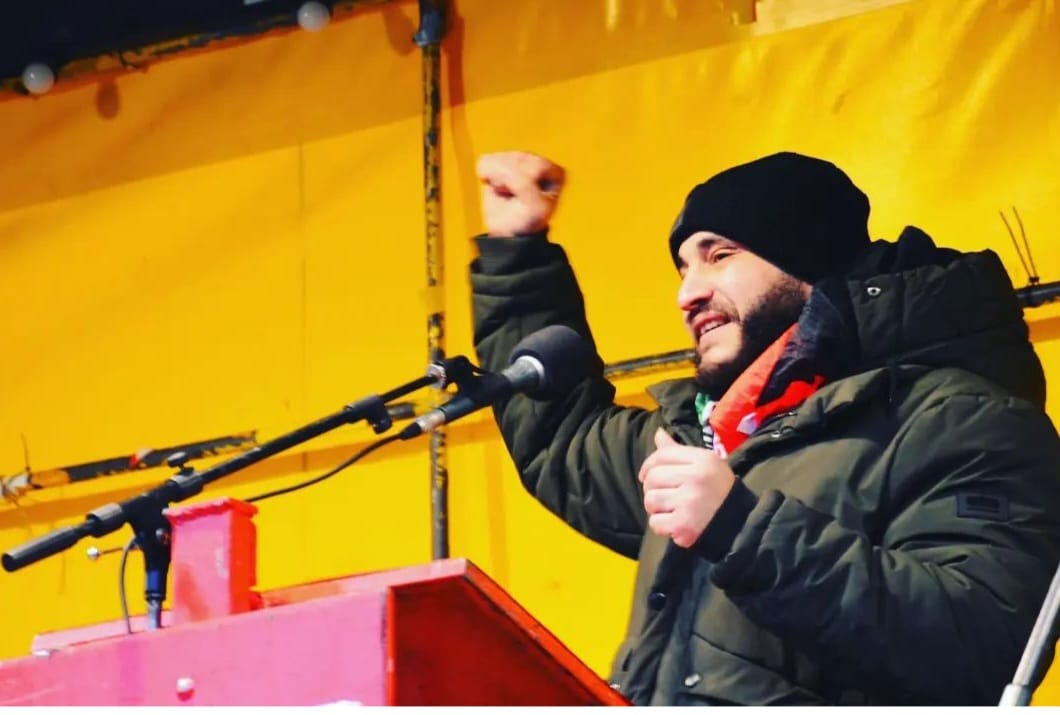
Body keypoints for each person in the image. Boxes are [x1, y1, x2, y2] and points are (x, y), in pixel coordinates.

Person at [468, 150, 1060, 705]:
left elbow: (982, 645)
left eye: (719, 255)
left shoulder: (966, 418)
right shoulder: (716, 438)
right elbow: (563, 439)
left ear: (809, 259)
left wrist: (740, 525)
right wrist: (517, 253)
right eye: (682, 266)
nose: (687, 293)